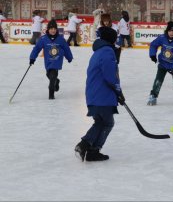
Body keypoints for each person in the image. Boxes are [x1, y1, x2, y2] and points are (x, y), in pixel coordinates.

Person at [74, 26, 125, 162]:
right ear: (112, 40)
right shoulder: (108, 52)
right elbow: (110, 76)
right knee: (107, 123)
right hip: (102, 96)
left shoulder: (98, 51)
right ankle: (85, 145)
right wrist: (119, 92)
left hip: (95, 95)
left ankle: (91, 151)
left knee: (101, 122)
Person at [29, 20, 73, 100]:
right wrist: (32, 58)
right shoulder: (43, 39)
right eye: (51, 28)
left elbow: (66, 49)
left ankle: (51, 96)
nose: (53, 30)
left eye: (54, 28)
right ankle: (56, 81)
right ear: (48, 29)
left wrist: (69, 57)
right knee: (49, 75)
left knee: (52, 76)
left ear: (56, 29)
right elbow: (36, 49)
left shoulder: (61, 39)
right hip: (48, 61)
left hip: (57, 61)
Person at [147, 21, 173, 106]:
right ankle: (153, 96)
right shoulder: (162, 37)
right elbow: (153, 45)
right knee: (158, 80)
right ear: (167, 31)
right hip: (163, 64)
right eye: (169, 31)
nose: (171, 33)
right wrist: (152, 55)